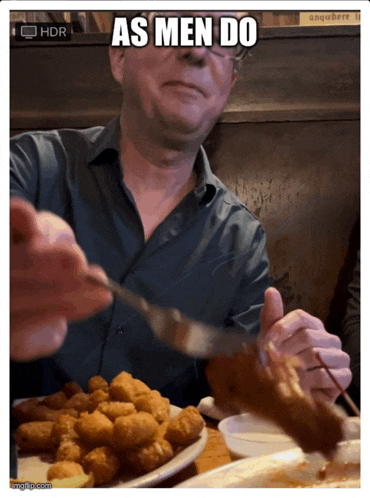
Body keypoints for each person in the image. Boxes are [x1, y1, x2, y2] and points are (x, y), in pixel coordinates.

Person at [10, 11, 351, 408]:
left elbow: (233, 399)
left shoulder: (241, 240)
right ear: (121, 55)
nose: (195, 49)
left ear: (230, 85)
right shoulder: (30, 167)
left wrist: (281, 392)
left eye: (222, 34)